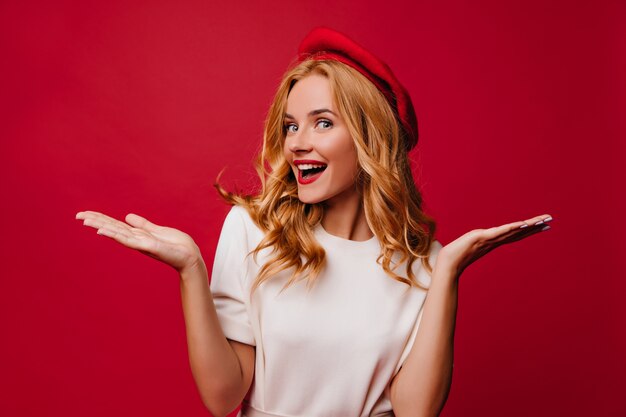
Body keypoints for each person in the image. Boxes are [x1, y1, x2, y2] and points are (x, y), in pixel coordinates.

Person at [76, 27, 552, 417]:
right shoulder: (251, 230)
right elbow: (223, 397)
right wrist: (190, 271)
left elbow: (415, 412)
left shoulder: (423, 263)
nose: (297, 142)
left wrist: (448, 272)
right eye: (290, 125)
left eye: (322, 122)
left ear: (371, 140)